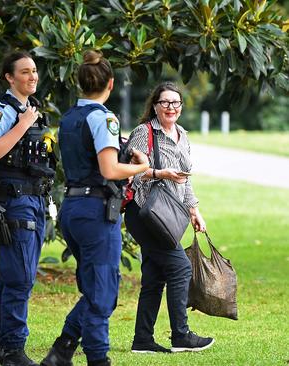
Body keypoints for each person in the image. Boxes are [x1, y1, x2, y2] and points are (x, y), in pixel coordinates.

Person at [40, 50, 149, 366]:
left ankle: (61, 351)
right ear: (110, 84)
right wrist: (139, 168)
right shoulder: (104, 118)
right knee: (102, 292)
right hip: (96, 210)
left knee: (98, 289)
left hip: (72, 207)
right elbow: (109, 170)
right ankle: (98, 359)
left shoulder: (70, 116)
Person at [0, 50, 56, 366]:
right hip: (12, 202)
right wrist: (22, 124)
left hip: (35, 200)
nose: (32, 76)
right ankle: (13, 351)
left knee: (13, 276)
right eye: (24, 72)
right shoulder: (1, 109)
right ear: (10, 77)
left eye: (34, 70)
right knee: (20, 278)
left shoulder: (34, 110)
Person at [123, 81, 214, 353]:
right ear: (155, 106)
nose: (171, 107)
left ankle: (143, 340)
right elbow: (131, 172)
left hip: (168, 216)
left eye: (176, 103)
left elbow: (185, 180)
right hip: (144, 213)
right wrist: (160, 174)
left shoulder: (182, 134)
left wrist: (194, 210)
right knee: (180, 267)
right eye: (165, 102)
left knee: (153, 276)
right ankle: (181, 336)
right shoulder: (144, 132)